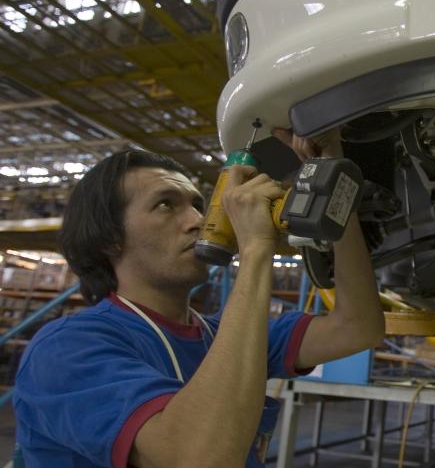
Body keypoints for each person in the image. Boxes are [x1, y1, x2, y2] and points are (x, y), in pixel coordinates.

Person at [13, 129, 384, 468]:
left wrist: (334, 190)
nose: (196, 219)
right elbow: (200, 458)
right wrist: (256, 248)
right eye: (165, 205)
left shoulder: (221, 335)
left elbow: (357, 327)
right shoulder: (65, 349)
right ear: (110, 239)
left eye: (196, 203)